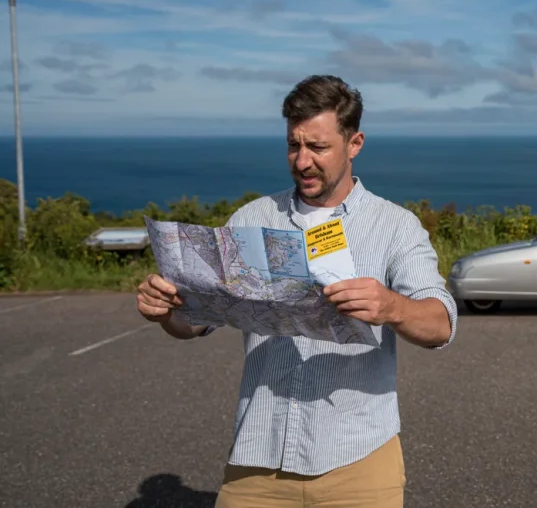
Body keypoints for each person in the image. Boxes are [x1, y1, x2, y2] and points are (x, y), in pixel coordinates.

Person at [135, 75, 457, 507]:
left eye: (318, 148)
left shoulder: (395, 226)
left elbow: (441, 324)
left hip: (358, 462)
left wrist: (392, 306)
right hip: (257, 460)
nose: (302, 161)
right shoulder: (251, 217)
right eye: (293, 145)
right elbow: (196, 323)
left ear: (355, 143)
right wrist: (166, 313)